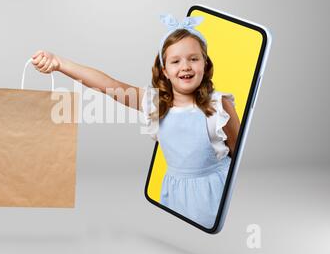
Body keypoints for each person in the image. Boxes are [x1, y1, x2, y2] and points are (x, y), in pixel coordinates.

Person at [31, 14, 240, 228]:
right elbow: (108, 84)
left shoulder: (219, 106)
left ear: (205, 63)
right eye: (176, 61)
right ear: (165, 71)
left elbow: (237, 153)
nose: (185, 66)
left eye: (193, 59)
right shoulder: (155, 103)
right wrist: (59, 63)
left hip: (213, 195)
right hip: (174, 195)